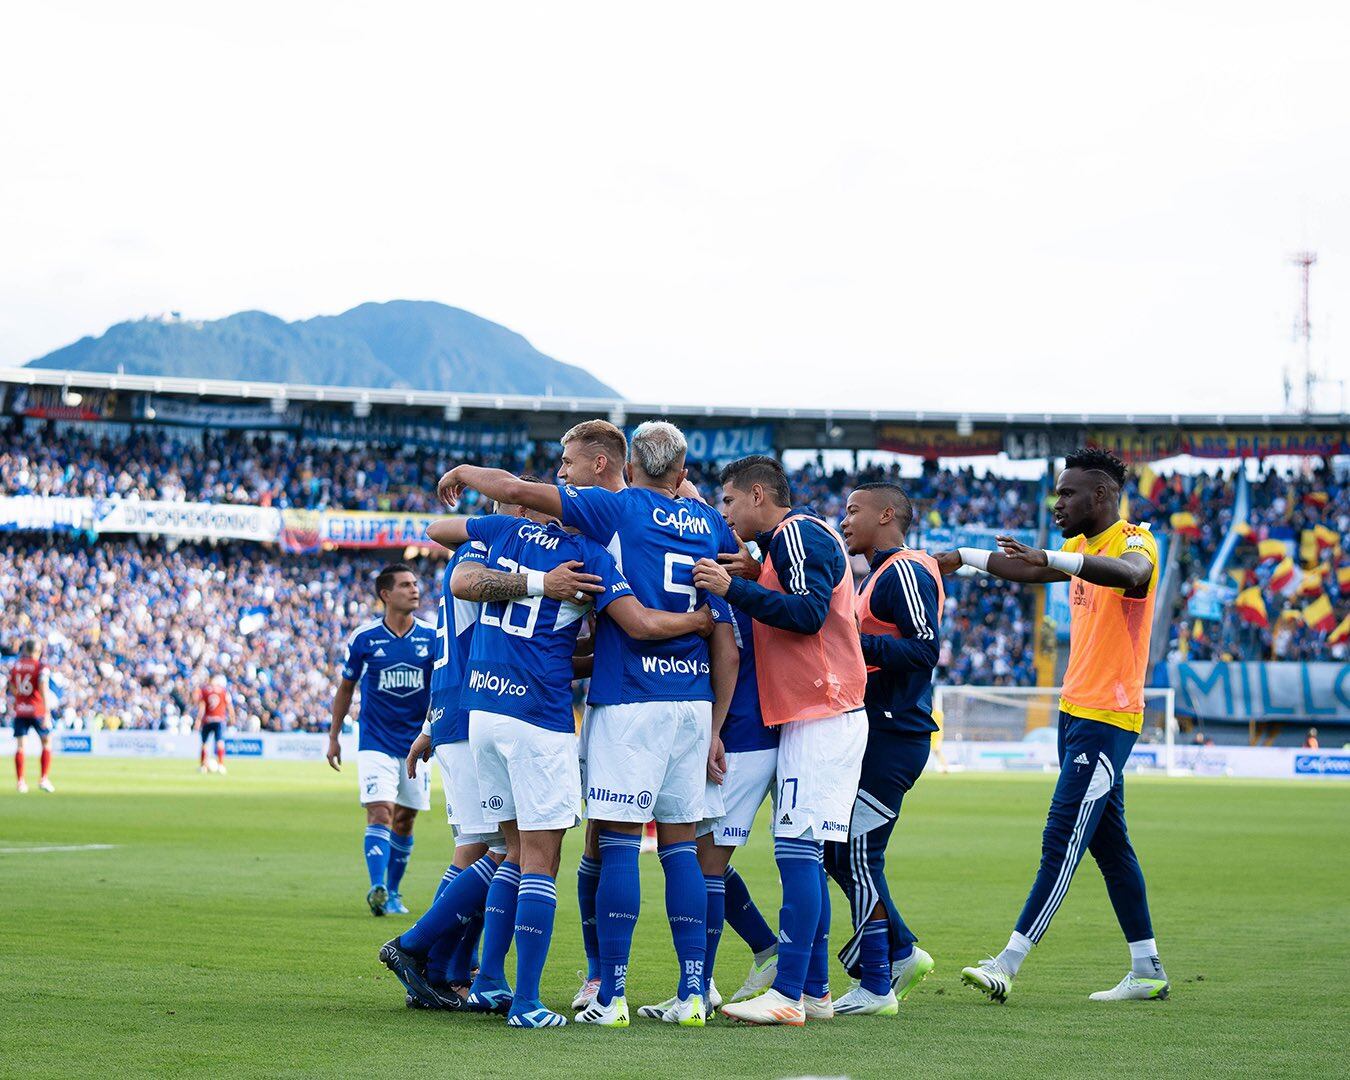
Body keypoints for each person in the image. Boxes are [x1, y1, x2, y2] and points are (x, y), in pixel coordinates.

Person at [436, 420, 740, 1029]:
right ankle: (692, 993)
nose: (561, 471)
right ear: (681, 470)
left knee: (615, 841)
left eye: (568, 461)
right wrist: (716, 725)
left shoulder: (612, 513)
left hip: (630, 699)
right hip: (694, 701)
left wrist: (463, 473)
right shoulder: (710, 524)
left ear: (609, 465)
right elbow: (730, 632)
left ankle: (611, 992)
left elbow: (512, 497)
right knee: (681, 846)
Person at [380, 502, 713, 1028]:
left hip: (479, 710)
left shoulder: (502, 537)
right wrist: (700, 619)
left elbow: (460, 569)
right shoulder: (586, 557)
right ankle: (515, 996)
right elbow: (640, 625)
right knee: (534, 858)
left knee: (504, 852)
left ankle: (474, 971)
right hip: (533, 716)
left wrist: (534, 582)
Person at [936, 447, 1169, 1003]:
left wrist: (1054, 558)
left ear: (1102, 496)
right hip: (1075, 715)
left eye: (1068, 493)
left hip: (1108, 719)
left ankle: (1007, 962)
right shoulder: (1079, 547)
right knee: (1111, 848)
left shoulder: (1135, 540)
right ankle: (1148, 968)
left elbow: (1132, 576)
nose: (1057, 501)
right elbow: (1029, 568)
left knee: (1060, 838)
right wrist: (963, 556)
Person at [398, 483, 607, 1007]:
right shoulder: (488, 550)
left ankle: (455, 968)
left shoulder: (502, 549)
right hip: (484, 707)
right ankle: (425, 952)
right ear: (522, 512)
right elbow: (465, 584)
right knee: (495, 851)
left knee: (491, 849)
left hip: (465, 704)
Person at [694, 455, 869, 1027]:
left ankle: (789, 992)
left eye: (728, 500)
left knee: (797, 853)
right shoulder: (781, 544)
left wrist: (733, 588)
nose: (726, 512)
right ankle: (813, 990)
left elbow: (810, 615)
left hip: (824, 711)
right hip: (810, 716)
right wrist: (749, 573)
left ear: (759, 496)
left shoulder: (798, 533)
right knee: (802, 855)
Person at [820, 481, 942, 1017]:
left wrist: (848, 641)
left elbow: (925, 648)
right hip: (879, 732)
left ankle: (877, 982)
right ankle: (899, 950)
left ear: (886, 514)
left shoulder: (904, 570)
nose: (844, 520)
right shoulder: (878, 575)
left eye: (853, 511)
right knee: (834, 850)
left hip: (895, 735)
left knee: (860, 852)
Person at [327, 564, 436, 917]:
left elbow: (443, 690)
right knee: (380, 811)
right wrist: (334, 738)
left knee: (405, 820)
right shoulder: (365, 638)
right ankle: (376, 887)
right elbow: (346, 688)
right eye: (405, 585)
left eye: (416, 584)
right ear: (386, 594)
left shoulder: (432, 638)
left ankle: (392, 891)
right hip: (375, 741)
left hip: (416, 745)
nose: (414, 589)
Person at [9, 638, 54, 793]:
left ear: (25, 650)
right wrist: (47, 712)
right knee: (47, 742)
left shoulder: (16, 665)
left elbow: (12, 687)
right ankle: (43, 779)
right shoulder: (40, 666)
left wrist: (18, 700)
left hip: (21, 710)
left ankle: (21, 782)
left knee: (21, 746)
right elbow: (43, 687)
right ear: (37, 651)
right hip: (37, 710)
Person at [195, 674, 234, 774]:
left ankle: (203, 766)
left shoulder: (205, 691)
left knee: (204, 743)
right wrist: (232, 717)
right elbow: (229, 706)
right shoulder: (223, 691)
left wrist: (198, 720)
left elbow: (202, 707)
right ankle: (221, 765)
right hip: (219, 720)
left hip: (207, 720)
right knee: (220, 743)